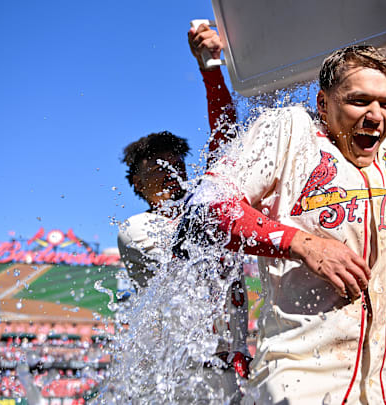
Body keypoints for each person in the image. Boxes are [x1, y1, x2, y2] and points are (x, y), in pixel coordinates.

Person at [185, 44, 386, 404]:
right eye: (359, 101)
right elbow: (209, 206)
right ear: (323, 103)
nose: (376, 116)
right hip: (303, 378)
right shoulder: (288, 129)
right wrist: (303, 244)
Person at [116, 25, 248, 403]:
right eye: (154, 169)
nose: (168, 173)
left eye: (174, 164)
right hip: (189, 375)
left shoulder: (203, 204)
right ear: (137, 186)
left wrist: (212, 70)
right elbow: (192, 254)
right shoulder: (135, 229)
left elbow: (225, 137)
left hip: (234, 365)